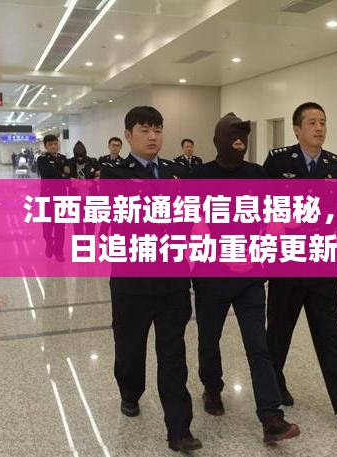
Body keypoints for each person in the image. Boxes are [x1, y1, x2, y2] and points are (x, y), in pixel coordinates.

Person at [263, 102, 337, 428]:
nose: (319, 128)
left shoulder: (336, 166)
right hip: (286, 261)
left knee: (331, 336)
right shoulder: (278, 161)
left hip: (321, 260)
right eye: (312, 123)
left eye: (323, 122)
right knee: (278, 333)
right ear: (297, 129)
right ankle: (273, 391)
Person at [190, 113, 300, 445]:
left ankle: (271, 417)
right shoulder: (200, 176)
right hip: (212, 276)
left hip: (251, 276)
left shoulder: (257, 174)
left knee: (258, 345)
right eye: (233, 138)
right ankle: (212, 388)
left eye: (243, 139)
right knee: (209, 338)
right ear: (218, 141)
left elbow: (273, 218)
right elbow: (193, 225)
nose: (239, 143)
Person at [100, 106, 202, 452]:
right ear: (128, 135)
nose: (153, 136)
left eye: (157, 129)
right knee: (130, 347)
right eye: (144, 130)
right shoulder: (113, 174)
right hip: (131, 282)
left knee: (173, 355)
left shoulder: (177, 172)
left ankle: (179, 428)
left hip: (173, 281)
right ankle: (130, 392)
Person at [37, 134, 70, 262]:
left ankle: (58, 252)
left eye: (55, 144)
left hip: (61, 197)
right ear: (45, 146)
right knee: (47, 227)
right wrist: (63, 175)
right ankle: (49, 242)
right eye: (50, 144)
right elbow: (48, 173)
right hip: (47, 197)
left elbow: (69, 174)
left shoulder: (63, 158)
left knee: (60, 227)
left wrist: (65, 175)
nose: (53, 146)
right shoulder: (42, 159)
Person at [68, 141, 100, 241]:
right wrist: (71, 181)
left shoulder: (93, 161)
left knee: (91, 225)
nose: (80, 159)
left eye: (81, 156)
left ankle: (89, 244)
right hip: (75, 200)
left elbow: (100, 176)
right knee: (77, 225)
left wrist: (92, 183)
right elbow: (63, 178)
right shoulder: (69, 163)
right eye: (78, 157)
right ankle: (80, 245)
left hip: (91, 200)